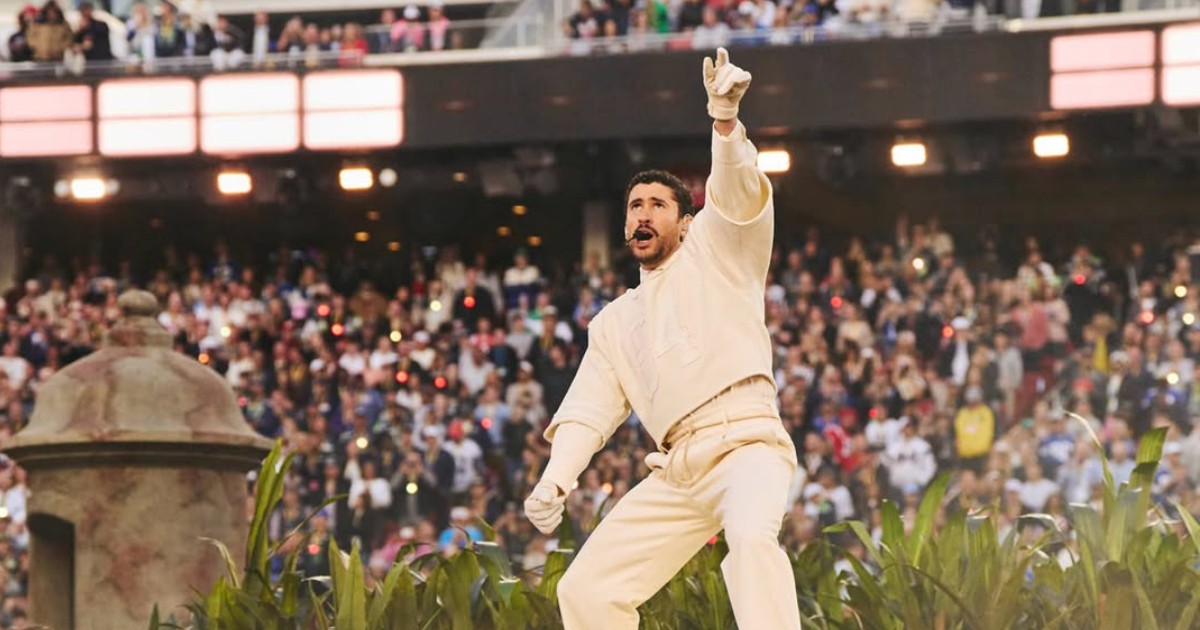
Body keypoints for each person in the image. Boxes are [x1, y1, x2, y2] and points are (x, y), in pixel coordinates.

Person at [523, 48, 801, 629]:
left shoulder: (719, 253)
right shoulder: (612, 322)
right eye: (634, 206)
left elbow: (737, 196)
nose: (643, 214)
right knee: (586, 590)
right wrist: (555, 479)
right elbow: (587, 412)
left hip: (748, 446)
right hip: (677, 470)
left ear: (687, 220)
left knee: (751, 541)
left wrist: (725, 124)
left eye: (657, 204)